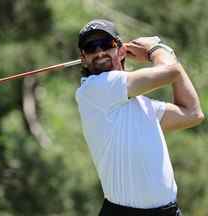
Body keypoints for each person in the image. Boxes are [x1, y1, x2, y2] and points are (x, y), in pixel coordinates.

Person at [75, 19, 204, 216]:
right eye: (91, 47)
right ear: (83, 57)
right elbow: (170, 71)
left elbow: (192, 113)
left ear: (120, 50)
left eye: (106, 45)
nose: (99, 52)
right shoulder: (93, 90)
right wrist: (157, 49)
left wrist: (170, 58)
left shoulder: (142, 105)